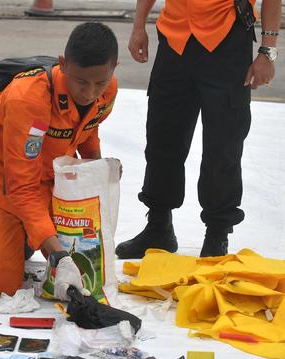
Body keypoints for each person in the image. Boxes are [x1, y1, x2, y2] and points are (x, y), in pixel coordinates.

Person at [0, 22, 119, 297]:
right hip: (7, 189)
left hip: (54, 186)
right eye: (81, 82)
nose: (90, 93)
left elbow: (88, 129)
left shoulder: (108, 91)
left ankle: (27, 235)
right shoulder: (28, 99)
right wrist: (57, 254)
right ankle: (9, 233)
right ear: (63, 64)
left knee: (89, 267)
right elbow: (21, 187)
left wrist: (97, 171)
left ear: (113, 69)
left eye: (100, 83)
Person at [116, 0, 281, 259]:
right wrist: (139, 26)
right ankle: (158, 227)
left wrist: (267, 51)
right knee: (162, 136)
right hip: (174, 38)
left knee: (223, 144)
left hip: (226, 39)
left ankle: (217, 233)